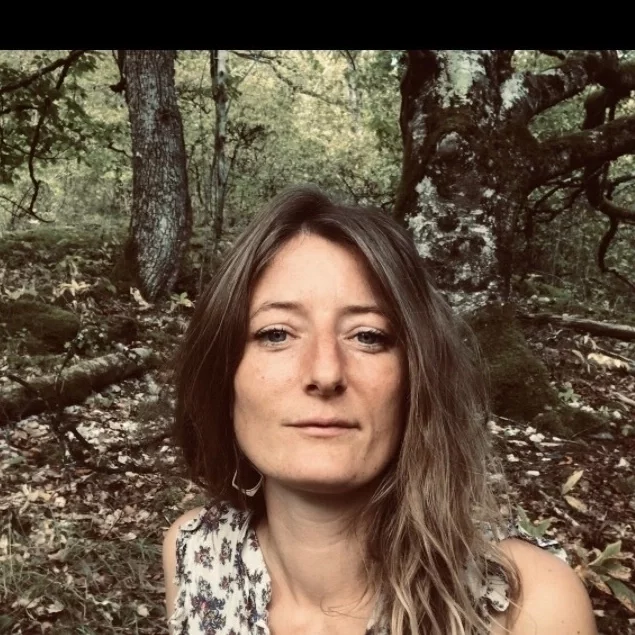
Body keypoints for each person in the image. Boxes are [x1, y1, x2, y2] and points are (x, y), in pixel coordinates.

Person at [163, 186, 597, 634]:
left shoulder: (530, 605)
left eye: (368, 336)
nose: (326, 373)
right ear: (222, 377)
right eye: (276, 334)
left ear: (417, 378)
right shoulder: (195, 555)